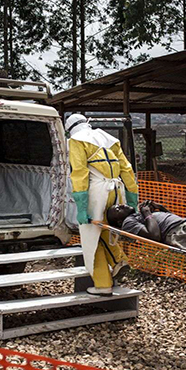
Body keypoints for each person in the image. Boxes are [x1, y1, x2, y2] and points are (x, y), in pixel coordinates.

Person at [66, 114, 138, 296]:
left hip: (96, 193)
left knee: (92, 240)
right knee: (107, 230)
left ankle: (103, 284)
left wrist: (81, 207)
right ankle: (118, 260)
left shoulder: (76, 141)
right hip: (116, 190)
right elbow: (127, 169)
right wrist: (132, 200)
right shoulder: (109, 139)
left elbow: (80, 173)